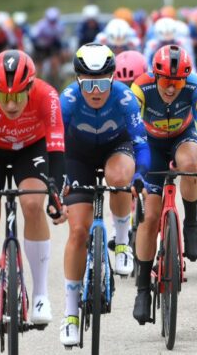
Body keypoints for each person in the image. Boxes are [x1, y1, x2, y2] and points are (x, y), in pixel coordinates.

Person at [58, 43, 149, 346]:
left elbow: (141, 144)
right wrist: (56, 181)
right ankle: (71, 315)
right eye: (88, 83)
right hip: (78, 157)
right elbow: (54, 146)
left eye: (102, 83)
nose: (96, 91)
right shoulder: (68, 100)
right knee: (78, 232)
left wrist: (140, 176)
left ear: (112, 78)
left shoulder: (125, 97)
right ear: (78, 79)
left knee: (120, 177)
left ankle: (121, 242)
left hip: (115, 150)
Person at [0, 50, 65, 325]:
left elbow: (57, 149)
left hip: (30, 147)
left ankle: (40, 294)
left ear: (31, 87)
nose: (11, 105)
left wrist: (55, 194)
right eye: (3, 97)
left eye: (17, 97)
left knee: (33, 204)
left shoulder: (47, 96)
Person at [130, 44, 197, 324]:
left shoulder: (195, 87)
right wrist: (136, 170)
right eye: (166, 81)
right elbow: (130, 132)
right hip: (150, 145)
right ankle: (143, 288)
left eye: (177, 81)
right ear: (156, 76)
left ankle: (191, 224)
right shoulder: (140, 88)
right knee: (150, 218)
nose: (171, 88)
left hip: (182, 136)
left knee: (191, 164)